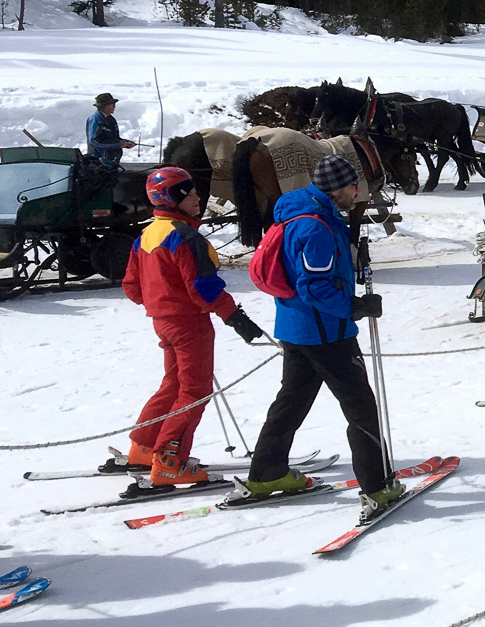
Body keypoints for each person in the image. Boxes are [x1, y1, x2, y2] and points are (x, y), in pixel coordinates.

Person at [241, 155, 403, 522]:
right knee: (361, 407)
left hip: (297, 328)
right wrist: (353, 306)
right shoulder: (314, 226)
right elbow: (313, 286)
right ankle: (378, 486)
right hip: (325, 333)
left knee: (291, 402)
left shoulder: (305, 213)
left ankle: (268, 473)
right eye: (352, 187)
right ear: (337, 188)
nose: (357, 192)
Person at [121, 166, 264, 490]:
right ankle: (170, 461)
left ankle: (144, 446)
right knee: (193, 390)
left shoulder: (145, 235)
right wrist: (235, 317)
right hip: (189, 323)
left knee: (173, 384)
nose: (200, 198)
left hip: (164, 322)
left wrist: (161, 301)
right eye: (190, 194)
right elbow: (204, 288)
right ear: (172, 199)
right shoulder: (185, 236)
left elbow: (131, 286)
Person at [86, 92, 138, 169]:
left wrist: (126, 143)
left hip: (111, 163)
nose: (114, 107)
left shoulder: (111, 119)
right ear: (105, 106)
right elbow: (94, 141)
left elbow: (114, 138)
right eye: (112, 104)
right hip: (98, 163)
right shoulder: (95, 119)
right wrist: (118, 144)